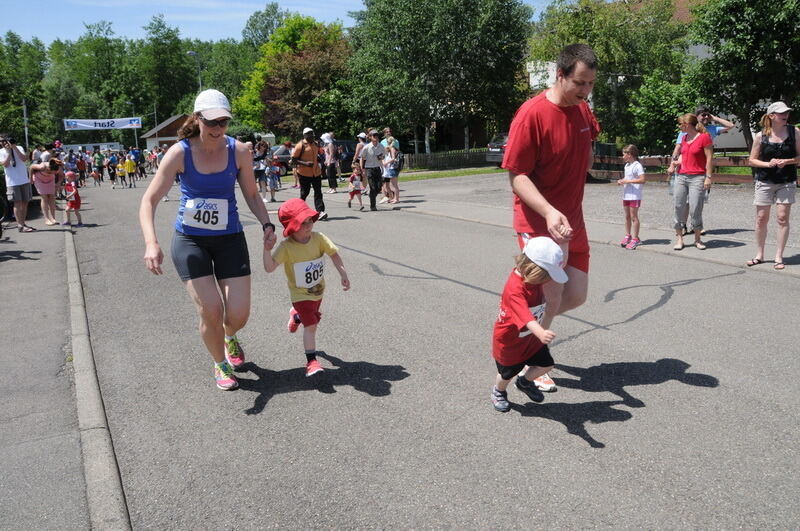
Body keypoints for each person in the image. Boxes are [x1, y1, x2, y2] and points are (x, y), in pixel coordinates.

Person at [139, 88, 277, 391]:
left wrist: (267, 223)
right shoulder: (180, 152)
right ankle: (220, 362)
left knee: (238, 314)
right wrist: (152, 242)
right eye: (212, 122)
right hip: (191, 241)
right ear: (197, 118)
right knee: (211, 309)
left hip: (229, 237)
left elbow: (252, 194)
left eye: (223, 122)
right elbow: (149, 200)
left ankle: (230, 337)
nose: (218, 129)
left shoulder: (239, 151)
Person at [502, 43, 600, 392]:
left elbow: (587, 144)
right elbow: (516, 175)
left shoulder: (583, 110)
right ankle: (533, 359)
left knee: (576, 295)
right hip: (538, 224)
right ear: (560, 75)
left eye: (590, 84)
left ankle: (518, 322)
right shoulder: (532, 114)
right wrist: (548, 209)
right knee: (552, 297)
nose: (586, 91)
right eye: (580, 83)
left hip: (573, 222)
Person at [262, 198, 350, 377]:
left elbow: (334, 254)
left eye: (309, 220)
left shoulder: (318, 239)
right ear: (292, 226)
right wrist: (266, 250)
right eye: (303, 223)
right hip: (300, 294)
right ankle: (311, 361)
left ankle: (296, 316)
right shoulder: (286, 247)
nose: (308, 225)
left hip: (318, 291)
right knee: (312, 325)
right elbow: (269, 268)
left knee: (309, 319)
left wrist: (343, 274)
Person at [490, 237, 567, 412]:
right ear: (535, 270)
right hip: (511, 342)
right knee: (507, 374)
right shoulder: (515, 290)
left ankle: (525, 382)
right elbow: (526, 317)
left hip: (530, 338)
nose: (549, 280)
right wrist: (541, 332)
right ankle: (498, 391)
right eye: (547, 275)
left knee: (546, 364)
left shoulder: (532, 279)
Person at [747, 101, 800, 270]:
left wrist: (789, 161)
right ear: (771, 116)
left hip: (787, 180)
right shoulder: (760, 136)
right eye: (781, 113)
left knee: (782, 218)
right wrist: (767, 164)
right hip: (764, 181)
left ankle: (779, 256)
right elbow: (752, 160)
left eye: (787, 112)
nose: (786, 115)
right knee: (761, 219)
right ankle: (760, 254)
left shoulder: (795, 132)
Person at [666, 114, 713, 250]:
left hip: (697, 177)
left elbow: (709, 159)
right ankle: (680, 238)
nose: (680, 127)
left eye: (681, 124)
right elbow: (681, 155)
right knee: (678, 206)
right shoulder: (684, 138)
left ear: (687, 125)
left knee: (695, 208)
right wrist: (674, 164)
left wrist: (708, 177)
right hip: (681, 176)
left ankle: (697, 239)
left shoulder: (704, 137)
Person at [291, 127, 328, 220]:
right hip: (304, 173)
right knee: (304, 193)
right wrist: (305, 163)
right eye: (309, 134)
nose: (312, 136)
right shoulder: (300, 145)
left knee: (318, 192)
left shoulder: (316, 144)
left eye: (312, 134)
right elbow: (293, 160)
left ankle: (320, 212)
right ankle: (298, 211)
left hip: (316, 173)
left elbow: (317, 156)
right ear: (305, 135)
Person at [1, 134, 34, 232]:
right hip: (12, 181)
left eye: (4, 140)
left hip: (24, 179)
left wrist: (14, 147)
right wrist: (8, 152)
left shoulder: (18, 147)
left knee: (25, 203)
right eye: (0, 141)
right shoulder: (1, 152)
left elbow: (24, 159)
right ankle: (20, 225)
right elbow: (6, 165)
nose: (2, 143)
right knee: (18, 203)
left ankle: (23, 223)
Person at [617, 145, 646, 250]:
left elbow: (642, 180)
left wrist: (628, 181)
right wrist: (622, 180)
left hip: (635, 195)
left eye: (624, 154)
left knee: (634, 217)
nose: (623, 156)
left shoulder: (637, 165)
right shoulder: (627, 166)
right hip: (626, 195)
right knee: (627, 216)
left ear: (630, 154)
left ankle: (635, 239)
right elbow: (627, 178)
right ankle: (628, 235)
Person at [359, 130, 386, 211]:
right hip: (369, 169)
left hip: (377, 168)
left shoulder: (381, 146)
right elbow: (362, 158)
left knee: (379, 187)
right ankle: (373, 206)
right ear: (370, 137)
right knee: (373, 187)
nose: (376, 137)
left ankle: (371, 195)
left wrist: (381, 157)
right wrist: (362, 169)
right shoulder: (366, 147)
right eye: (374, 136)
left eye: (377, 135)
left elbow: (383, 156)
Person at [30, 159, 61, 225]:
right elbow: (31, 167)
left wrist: (58, 183)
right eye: (53, 172)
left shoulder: (57, 167)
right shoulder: (42, 166)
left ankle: (53, 218)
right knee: (44, 197)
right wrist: (30, 179)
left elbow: (61, 175)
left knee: (52, 197)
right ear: (49, 168)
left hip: (50, 180)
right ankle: (46, 219)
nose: (55, 173)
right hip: (39, 179)